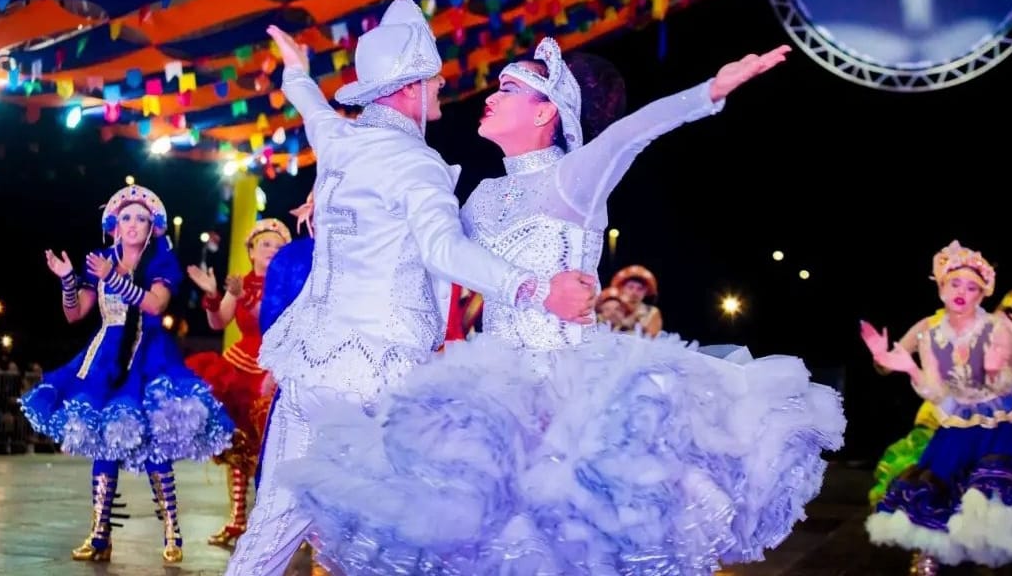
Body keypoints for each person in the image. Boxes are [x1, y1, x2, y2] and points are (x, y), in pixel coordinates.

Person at [283, 37, 846, 575]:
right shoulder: (479, 197)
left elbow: (635, 130)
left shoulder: (572, 178)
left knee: (569, 544)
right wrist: (339, 190)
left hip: (565, 392)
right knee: (487, 542)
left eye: (508, 89)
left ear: (543, 113)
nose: (491, 96)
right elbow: (431, 249)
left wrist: (712, 89)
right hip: (490, 394)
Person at [224, 0, 596, 576]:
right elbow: (446, 252)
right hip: (378, 381)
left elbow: (314, 110)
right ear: (409, 88)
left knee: (272, 527)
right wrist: (536, 290)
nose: (444, 88)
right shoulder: (415, 163)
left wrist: (298, 72)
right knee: (405, 542)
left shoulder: (340, 142)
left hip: (308, 369)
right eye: (436, 82)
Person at [21, 184, 233, 563]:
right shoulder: (101, 257)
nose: (133, 224)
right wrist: (69, 280)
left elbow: (154, 306)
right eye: (126, 218)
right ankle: (100, 536)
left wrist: (113, 278)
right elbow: (75, 313)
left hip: (149, 354)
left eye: (141, 218)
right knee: (104, 443)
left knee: (153, 444)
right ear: (114, 225)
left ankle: (172, 532)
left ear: (152, 228)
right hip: (104, 356)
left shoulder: (160, 263)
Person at [862, 240, 1012, 573]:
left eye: (973, 287)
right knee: (940, 481)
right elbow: (926, 385)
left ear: (982, 295)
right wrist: (892, 362)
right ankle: (930, 555)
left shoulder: (998, 327)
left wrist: (1003, 369)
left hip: (1006, 421)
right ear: (941, 288)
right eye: (955, 283)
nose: (963, 292)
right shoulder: (928, 329)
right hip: (958, 418)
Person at [185, 217, 292, 547]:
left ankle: (277, 523)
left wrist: (245, 297)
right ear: (251, 250)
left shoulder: (289, 284)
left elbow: (270, 319)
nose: (272, 250)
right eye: (265, 244)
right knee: (237, 447)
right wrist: (214, 296)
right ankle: (237, 519)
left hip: (274, 366)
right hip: (240, 366)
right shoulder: (240, 282)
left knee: (275, 449)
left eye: (278, 246)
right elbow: (219, 322)